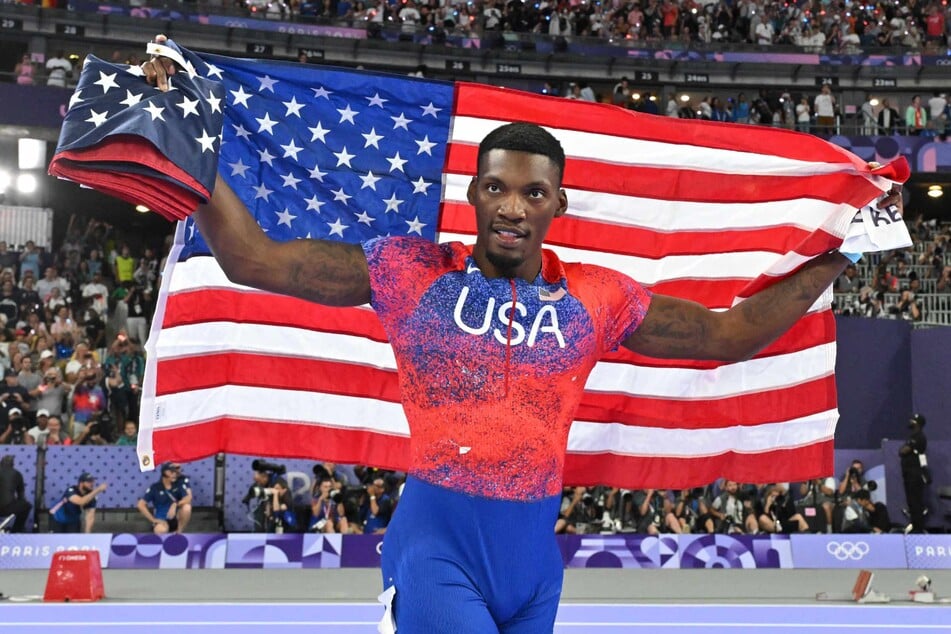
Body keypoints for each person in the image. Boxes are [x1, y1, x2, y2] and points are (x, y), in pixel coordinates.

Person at [142, 48, 902, 632]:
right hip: (438, 541)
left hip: (535, 561)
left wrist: (842, 251)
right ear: (473, 192)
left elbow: (728, 335)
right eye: (496, 187)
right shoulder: (409, 272)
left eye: (532, 192)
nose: (512, 206)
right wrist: (178, 128)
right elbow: (253, 259)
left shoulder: (597, 298)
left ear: (557, 202)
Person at [136, 462, 192, 534]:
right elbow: (140, 505)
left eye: (175, 472)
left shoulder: (178, 485)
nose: (175, 474)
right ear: (165, 473)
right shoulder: (155, 488)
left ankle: (179, 532)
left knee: (187, 507)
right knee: (160, 530)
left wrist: (176, 504)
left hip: (175, 519)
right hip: (162, 520)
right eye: (172, 472)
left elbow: (188, 498)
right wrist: (153, 520)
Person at [900, 414, 929, 534]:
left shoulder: (919, 437)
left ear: (917, 423)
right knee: (911, 501)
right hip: (908, 474)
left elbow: (903, 451)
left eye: (913, 420)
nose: (910, 421)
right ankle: (915, 525)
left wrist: (905, 449)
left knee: (916, 501)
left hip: (915, 474)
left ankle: (918, 528)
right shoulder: (912, 436)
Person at [0, 455, 32, 533]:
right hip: (8, 508)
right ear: (13, 464)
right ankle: (16, 530)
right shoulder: (17, 474)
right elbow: (21, 496)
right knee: (26, 506)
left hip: (6, 507)